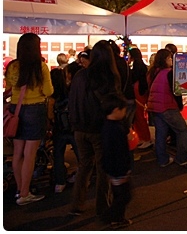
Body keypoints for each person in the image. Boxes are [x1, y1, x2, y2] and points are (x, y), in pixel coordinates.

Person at [69, 40, 119, 217]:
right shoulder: (107, 76)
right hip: (99, 129)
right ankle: (103, 207)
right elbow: (112, 105)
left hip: (79, 128)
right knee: (103, 169)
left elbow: (73, 100)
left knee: (84, 166)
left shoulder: (79, 76)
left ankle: (77, 203)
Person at [4, 33, 54, 205]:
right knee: (29, 154)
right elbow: (48, 92)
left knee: (17, 153)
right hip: (35, 110)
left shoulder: (12, 66)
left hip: (15, 111)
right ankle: (25, 193)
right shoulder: (40, 67)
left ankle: (20, 189)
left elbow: (9, 88)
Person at [147, 49, 187, 167]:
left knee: (160, 133)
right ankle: (182, 158)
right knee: (182, 129)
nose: (172, 60)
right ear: (165, 60)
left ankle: (162, 160)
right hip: (167, 106)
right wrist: (180, 105)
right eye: (170, 58)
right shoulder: (169, 73)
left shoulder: (153, 72)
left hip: (154, 107)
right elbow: (176, 91)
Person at [100, 92, 133, 229]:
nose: (125, 113)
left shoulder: (107, 125)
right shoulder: (117, 129)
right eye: (123, 110)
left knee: (120, 194)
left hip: (111, 167)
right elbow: (120, 152)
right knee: (123, 196)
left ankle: (115, 217)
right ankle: (114, 218)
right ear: (116, 110)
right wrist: (125, 168)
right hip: (118, 168)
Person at [48, 68, 80, 194]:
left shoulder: (52, 97)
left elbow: (50, 116)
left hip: (59, 130)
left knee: (58, 156)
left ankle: (60, 182)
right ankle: (83, 178)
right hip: (73, 129)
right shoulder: (70, 92)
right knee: (80, 154)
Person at [128, 48, 152, 149]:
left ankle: (146, 138)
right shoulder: (141, 65)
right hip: (140, 92)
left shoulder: (137, 66)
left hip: (138, 93)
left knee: (140, 117)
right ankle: (143, 137)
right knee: (138, 118)